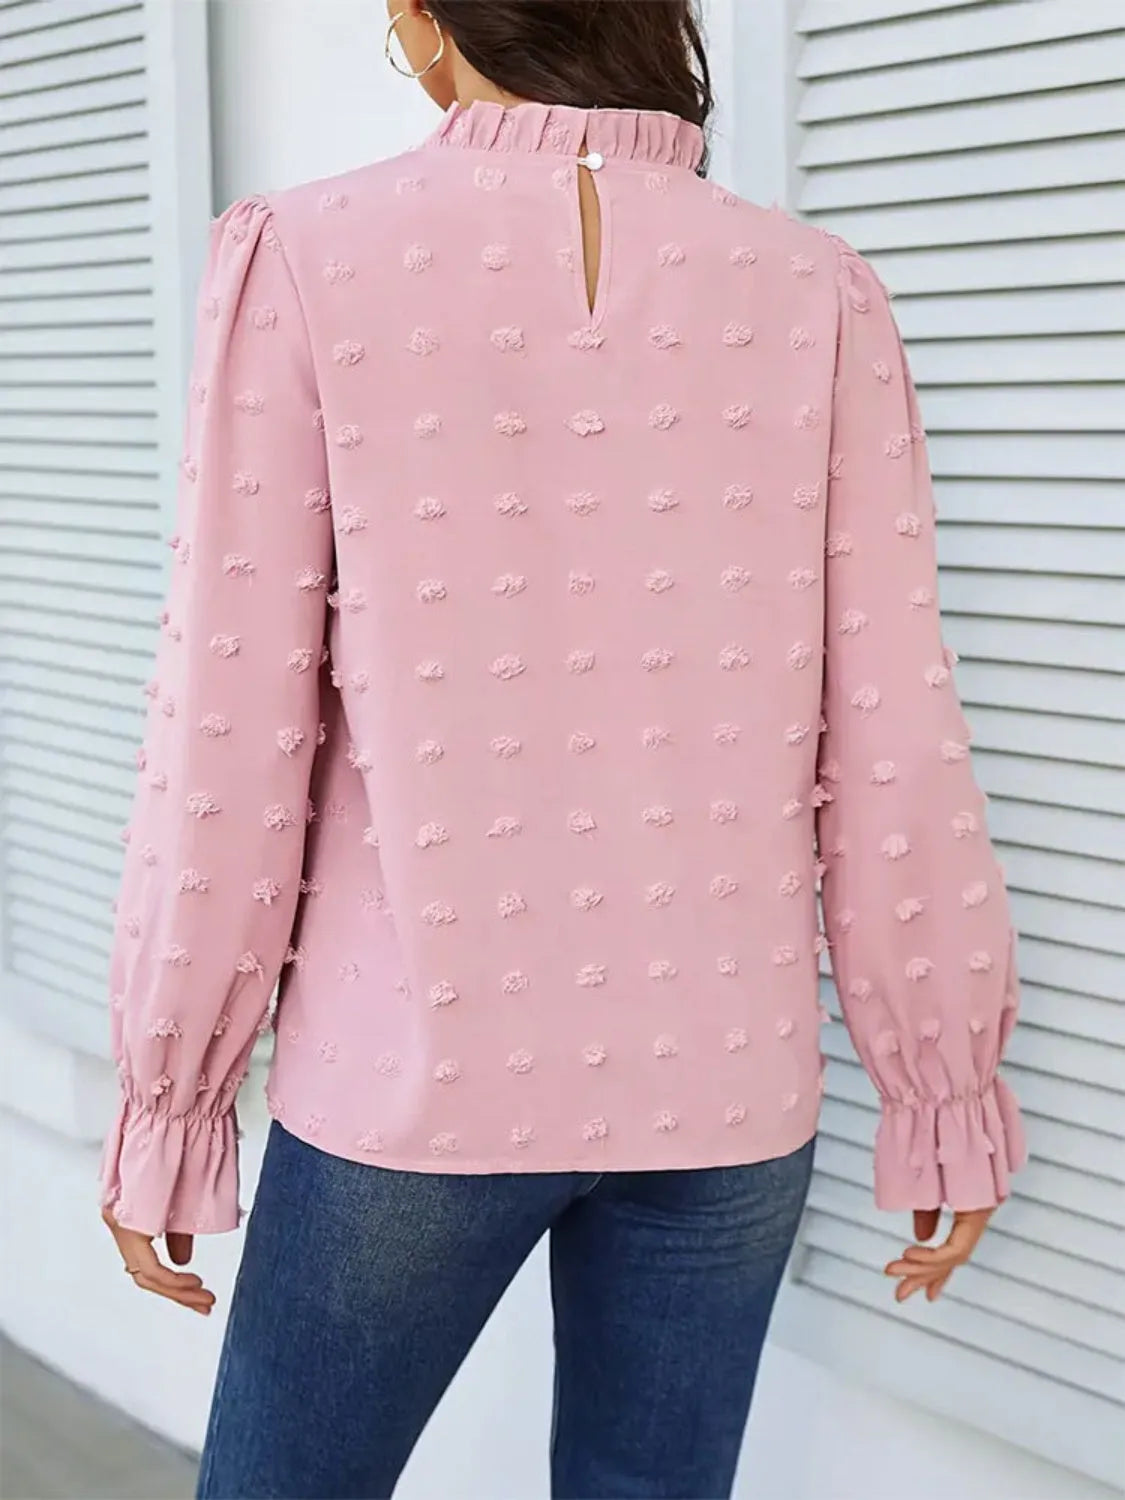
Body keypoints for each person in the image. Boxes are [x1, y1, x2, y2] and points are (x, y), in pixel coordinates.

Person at [99, 3, 1026, 1496]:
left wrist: (171, 1096)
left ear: (423, 21)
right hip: (728, 1088)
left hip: (413, 1080)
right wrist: (943, 1088)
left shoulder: (308, 255)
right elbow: (894, 733)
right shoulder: (817, 289)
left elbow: (230, 720)